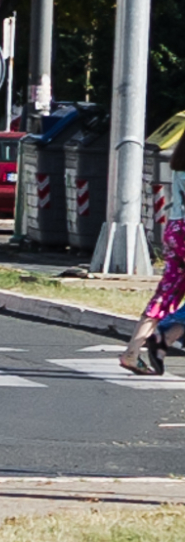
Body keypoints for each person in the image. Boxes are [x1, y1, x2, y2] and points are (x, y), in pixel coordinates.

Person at [122, 133, 185, 373]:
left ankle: (132, 352)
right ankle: (165, 335)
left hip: (176, 230)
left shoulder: (179, 168)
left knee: (165, 296)